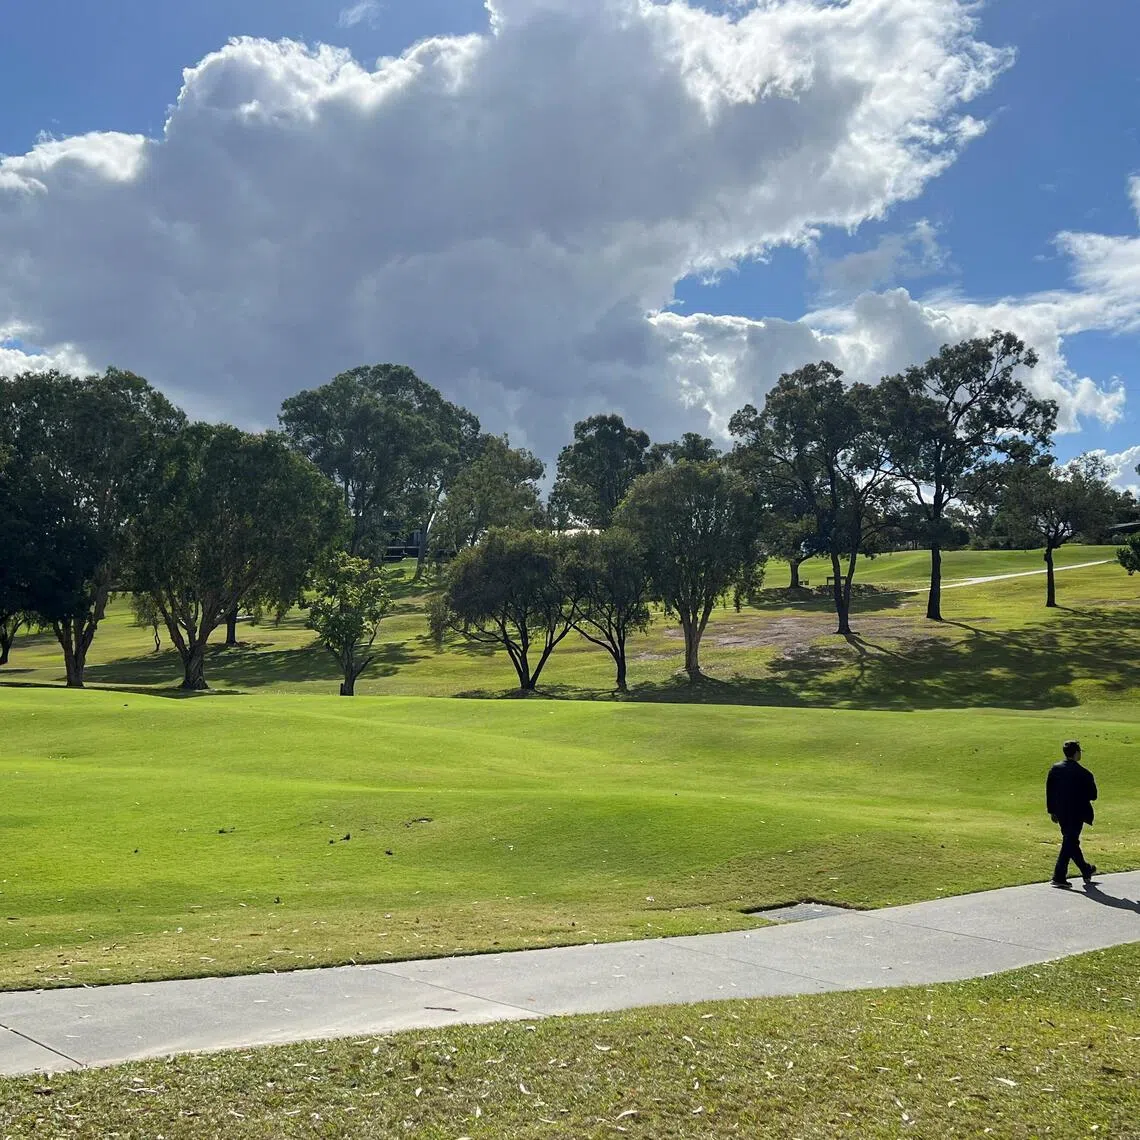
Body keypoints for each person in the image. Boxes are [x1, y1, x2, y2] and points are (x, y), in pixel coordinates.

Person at [1046, 740, 1098, 888]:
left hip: (1061, 811)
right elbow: (1093, 795)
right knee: (1070, 841)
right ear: (1076, 753)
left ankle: (1086, 869)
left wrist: (1052, 810)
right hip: (1078, 813)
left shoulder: (1055, 769)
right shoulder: (1085, 773)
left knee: (1071, 841)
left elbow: (1050, 792)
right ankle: (1059, 876)